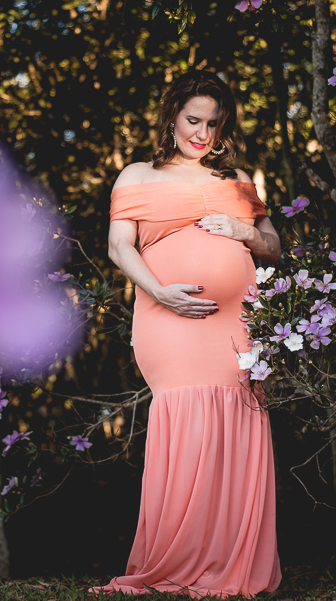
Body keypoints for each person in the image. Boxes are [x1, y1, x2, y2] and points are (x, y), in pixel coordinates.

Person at [92, 70, 282, 597]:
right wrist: (159, 291)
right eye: (192, 120)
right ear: (172, 116)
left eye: (213, 124)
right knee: (190, 427)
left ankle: (229, 564)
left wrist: (243, 230)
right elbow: (119, 248)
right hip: (169, 319)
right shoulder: (137, 174)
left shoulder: (236, 178)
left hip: (239, 326)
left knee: (238, 426)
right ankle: (176, 559)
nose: (201, 134)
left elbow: (272, 246)